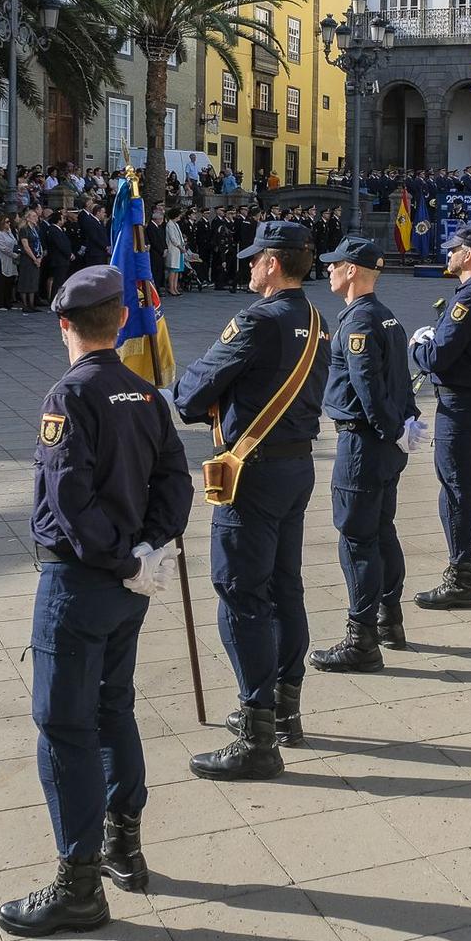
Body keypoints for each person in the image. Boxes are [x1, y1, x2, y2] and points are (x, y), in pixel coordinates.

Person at [0, 266, 193, 940]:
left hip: (80, 583)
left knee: (63, 725)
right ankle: (123, 846)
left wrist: (119, 556)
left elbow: (67, 498)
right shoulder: (143, 392)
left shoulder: (70, 393)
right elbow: (175, 480)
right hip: (129, 583)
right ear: (120, 322)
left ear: (65, 326)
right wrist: (150, 550)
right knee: (113, 706)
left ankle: (78, 885)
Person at [173, 220, 327, 781]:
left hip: (253, 475)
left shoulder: (256, 320)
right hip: (296, 466)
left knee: (241, 593)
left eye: (255, 258)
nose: (248, 266)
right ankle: (287, 708)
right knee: (286, 585)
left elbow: (192, 394)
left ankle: (257, 732)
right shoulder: (315, 320)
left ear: (272, 263)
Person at [309, 236, 414, 672]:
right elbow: (402, 384)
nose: (329, 270)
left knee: (357, 540)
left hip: (361, 443)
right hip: (385, 445)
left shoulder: (357, 322)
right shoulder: (385, 317)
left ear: (353, 270)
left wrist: (388, 431)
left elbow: (368, 387)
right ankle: (390, 620)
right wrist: (402, 432)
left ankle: (361, 639)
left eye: (335, 264)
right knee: (381, 531)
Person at [410, 224, 471, 608]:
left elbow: (438, 358)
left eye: (454, 250)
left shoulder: (469, 297)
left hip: (460, 402)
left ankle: (460, 577)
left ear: (468, 255)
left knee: (455, 490)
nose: (449, 255)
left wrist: (418, 347)